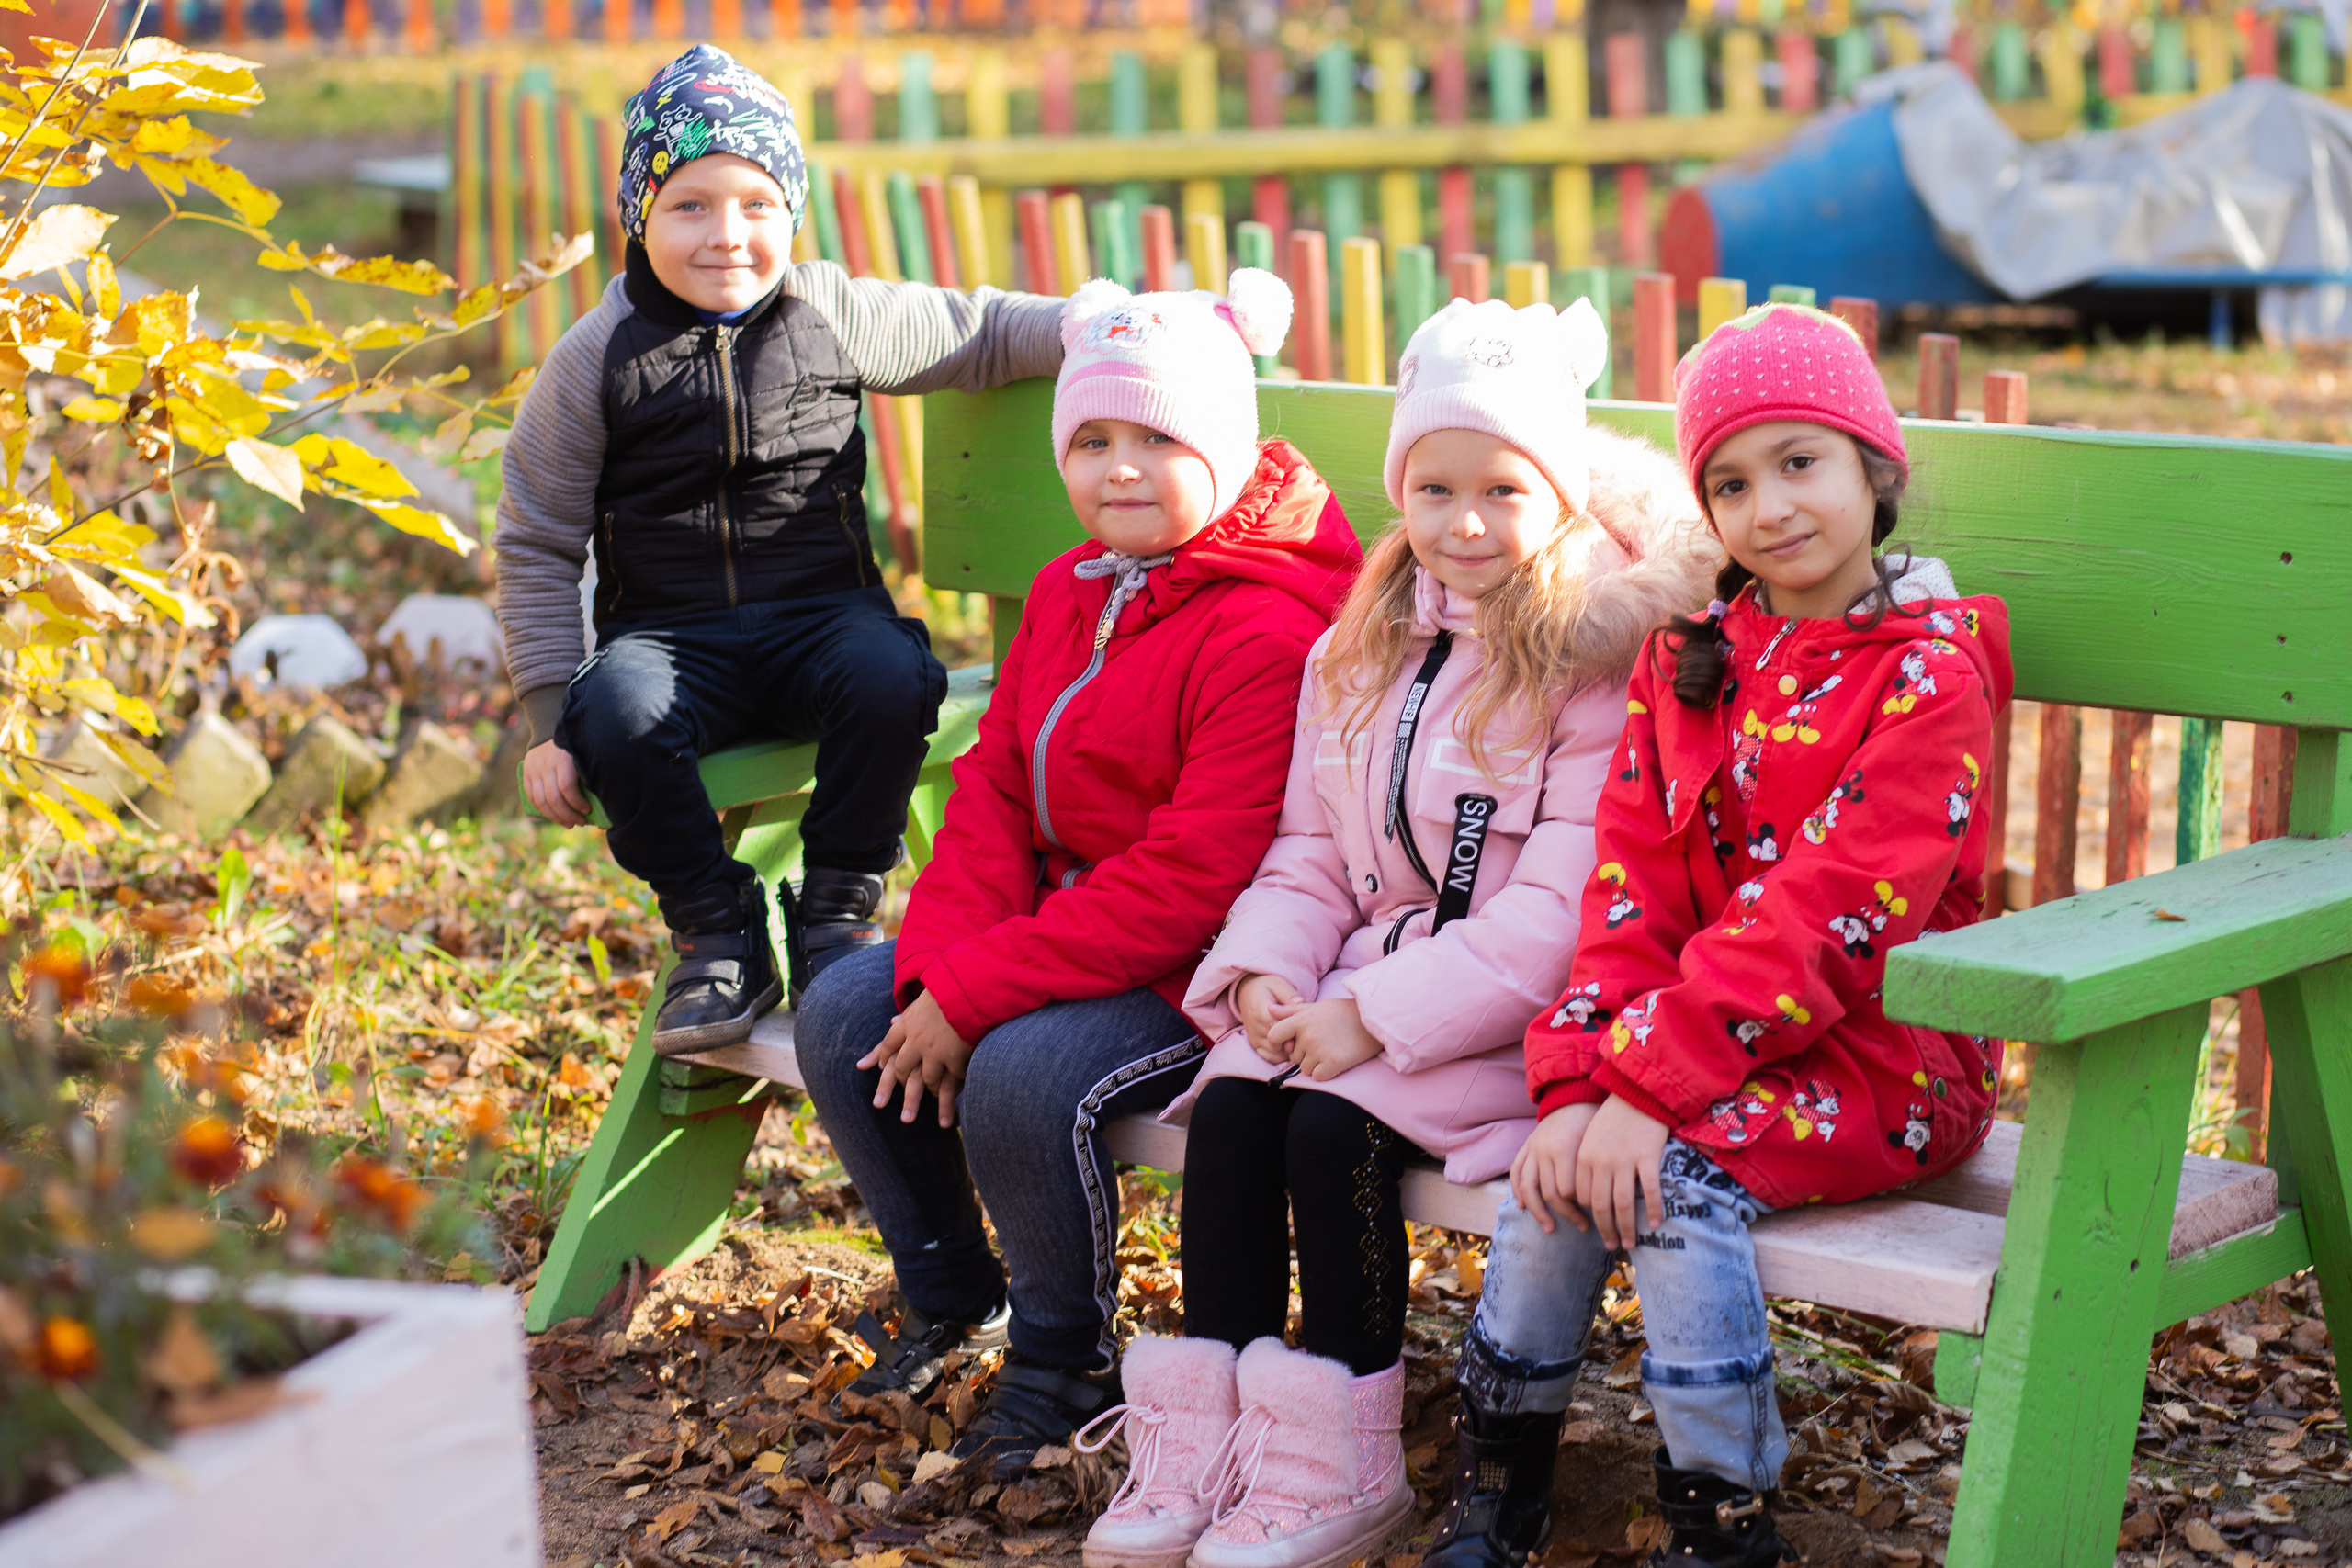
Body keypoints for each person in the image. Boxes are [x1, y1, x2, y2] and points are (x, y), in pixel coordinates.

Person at [1076, 298, 1719, 1568]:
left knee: (1332, 1132)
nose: (1464, 523)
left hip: (1509, 1019)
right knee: (1234, 1115)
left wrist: (1372, 1016)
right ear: (1401, 492)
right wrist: (1266, 972)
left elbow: (1560, 911)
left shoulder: (1594, 663)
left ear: (1557, 494)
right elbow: (1310, 849)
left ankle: (1341, 1458)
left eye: (1501, 490)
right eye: (1435, 488)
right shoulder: (1362, 644)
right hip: (1348, 989)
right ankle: (1214, 1441)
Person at [1424, 303, 2015, 1568]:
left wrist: (1647, 1088)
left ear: (1875, 468)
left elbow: (1830, 919)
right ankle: (1500, 1479)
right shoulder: (1687, 660)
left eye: (1800, 462)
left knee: (1667, 1176)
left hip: (1887, 1062)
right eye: (1730, 483)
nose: (1770, 507)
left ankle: (1721, 1516)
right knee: (1559, 1163)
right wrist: (1583, 1084)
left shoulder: (1928, 675)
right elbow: (1630, 893)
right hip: (1697, 1045)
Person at [794, 269, 1363, 1473]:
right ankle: (952, 1293)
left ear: (1225, 445)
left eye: (1157, 439)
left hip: (1203, 959)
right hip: (1061, 925)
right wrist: (941, 973)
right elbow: (995, 790)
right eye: (1092, 440)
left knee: (1021, 1071)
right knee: (845, 1008)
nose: (1119, 469)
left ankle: (1064, 1352)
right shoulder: (1070, 586)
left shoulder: (1264, 629)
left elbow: (1193, 878)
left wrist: (976, 994)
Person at [494, 45, 1066, 1054]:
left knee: (892, 675)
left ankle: (836, 909)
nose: (727, 235)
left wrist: (1106, 325)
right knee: (615, 715)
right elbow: (536, 537)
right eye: (690, 206)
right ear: (640, 214)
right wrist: (548, 718)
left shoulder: (829, 310)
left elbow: (978, 332)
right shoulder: (596, 355)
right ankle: (716, 930)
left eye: (757, 205)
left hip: (821, 620)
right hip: (669, 641)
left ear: (791, 212)